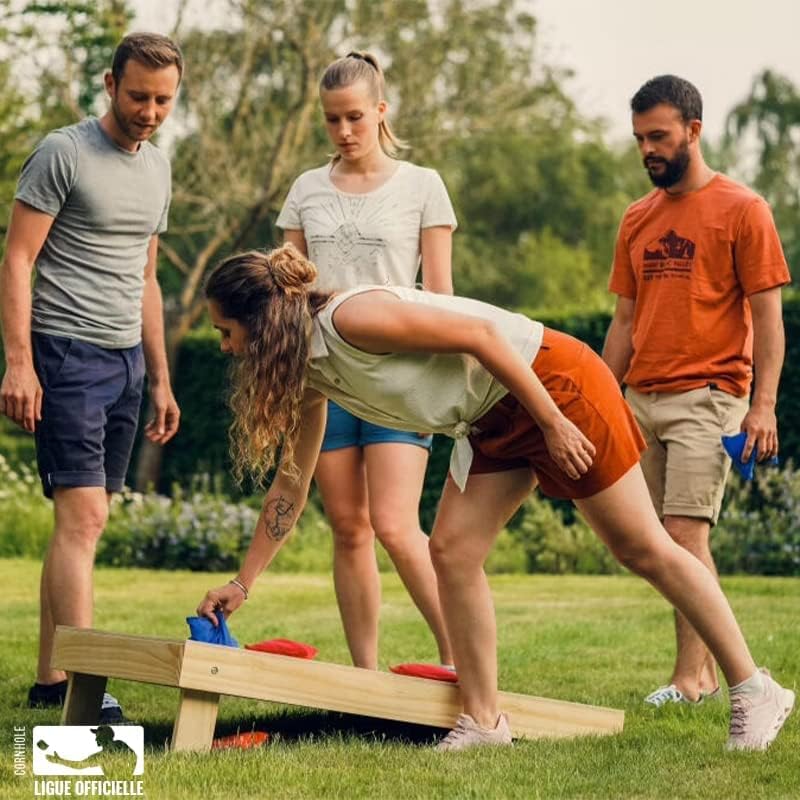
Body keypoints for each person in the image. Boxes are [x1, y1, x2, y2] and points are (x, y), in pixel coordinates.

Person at [196, 244, 794, 753]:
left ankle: (753, 688)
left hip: (550, 382)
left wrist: (554, 422)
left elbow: (482, 335)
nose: (224, 346)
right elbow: (292, 483)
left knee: (642, 547)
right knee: (453, 551)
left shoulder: (352, 319)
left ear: (264, 319)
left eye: (226, 331)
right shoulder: (310, 371)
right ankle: (483, 722)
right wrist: (243, 583)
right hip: (489, 416)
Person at [0, 32, 183, 721]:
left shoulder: (159, 167)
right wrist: (20, 362)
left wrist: (161, 377)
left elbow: (147, 276)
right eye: (138, 96)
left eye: (163, 100)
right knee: (86, 518)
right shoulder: (63, 153)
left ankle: (51, 680)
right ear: (109, 83)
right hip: (67, 353)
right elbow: (17, 261)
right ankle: (88, 694)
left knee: (81, 526)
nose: (150, 111)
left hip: (126, 361)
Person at [602, 75, 791, 707]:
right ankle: (705, 674)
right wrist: (601, 398)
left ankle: (695, 679)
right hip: (641, 400)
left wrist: (762, 406)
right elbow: (625, 323)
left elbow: (768, 319)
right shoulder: (637, 217)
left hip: (710, 396)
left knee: (683, 536)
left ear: (693, 130)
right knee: (645, 542)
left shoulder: (744, 210)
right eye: (639, 139)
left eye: (658, 136)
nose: (648, 149)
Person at [275, 51, 457, 670]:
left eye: (355, 116)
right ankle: (366, 677)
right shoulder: (305, 189)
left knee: (396, 525)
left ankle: (462, 664)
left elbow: (441, 294)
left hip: (397, 378)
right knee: (349, 529)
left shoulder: (422, 185)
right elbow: (284, 290)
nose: (344, 131)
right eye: (332, 120)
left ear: (381, 111)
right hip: (323, 379)